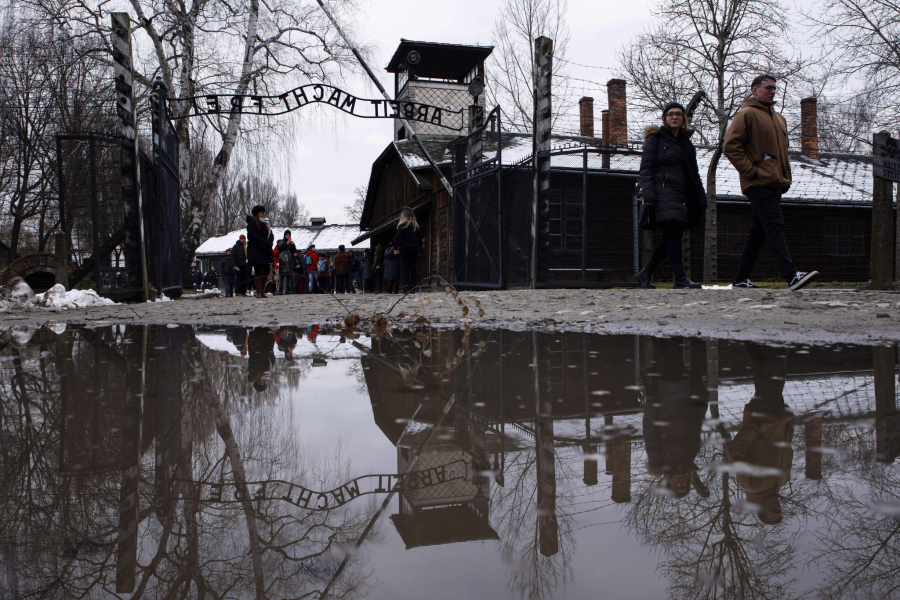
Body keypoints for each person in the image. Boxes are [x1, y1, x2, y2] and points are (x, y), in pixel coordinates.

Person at [724, 75, 819, 291]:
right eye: (768, 88)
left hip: (775, 182)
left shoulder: (778, 119)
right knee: (775, 225)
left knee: (757, 232)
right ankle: (791, 275)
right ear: (754, 90)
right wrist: (752, 171)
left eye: (774, 88)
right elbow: (731, 146)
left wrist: (784, 176)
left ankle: (740, 279)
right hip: (758, 183)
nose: (772, 91)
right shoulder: (746, 114)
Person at [635, 101, 706, 290]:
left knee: (671, 237)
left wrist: (701, 197)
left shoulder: (686, 143)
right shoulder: (655, 139)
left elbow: (694, 173)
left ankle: (645, 273)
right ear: (665, 119)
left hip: (684, 195)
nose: (675, 117)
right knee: (673, 232)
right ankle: (681, 278)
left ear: (684, 118)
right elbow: (646, 169)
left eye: (678, 114)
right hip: (663, 192)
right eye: (670, 114)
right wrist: (649, 195)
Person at [726, 343, 794, 524]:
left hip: (762, 417)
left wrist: (755, 427)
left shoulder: (751, 484)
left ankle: (781, 339)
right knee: (765, 376)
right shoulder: (781, 482)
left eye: (774, 510)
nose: (778, 506)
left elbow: (735, 451)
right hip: (777, 417)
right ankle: (752, 342)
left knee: (776, 376)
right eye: (779, 509)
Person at [642, 337, 709, 498]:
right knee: (679, 366)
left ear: (668, 483)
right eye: (684, 485)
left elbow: (650, 432)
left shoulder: (659, 463)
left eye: (676, 486)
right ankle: (663, 338)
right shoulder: (688, 460)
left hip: (667, 407)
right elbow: (695, 428)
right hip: (688, 404)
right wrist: (701, 405)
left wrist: (651, 405)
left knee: (676, 366)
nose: (681, 482)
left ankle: (670, 335)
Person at [246, 205, 274, 297]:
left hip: (265, 251)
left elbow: (270, 235)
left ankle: (262, 290)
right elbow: (253, 236)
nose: (264, 214)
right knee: (258, 270)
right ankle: (258, 291)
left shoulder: (266, 224)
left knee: (266, 270)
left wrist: (268, 242)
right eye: (262, 212)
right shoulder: (252, 223)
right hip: (256, 250)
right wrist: (264, 242)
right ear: (258, 213)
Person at [393, 206, 420, 293]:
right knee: (413, 267)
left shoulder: (402, 225)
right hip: (415, 248)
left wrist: (395, 248)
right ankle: (413, 287)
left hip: (405, 248)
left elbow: (397, 238)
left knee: (405, 267)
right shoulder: (416, 225)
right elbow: (419, 238)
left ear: (403, 215)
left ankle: (406, 287)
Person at [247, 327, 276, 392]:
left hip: (258, 339)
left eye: (264, 383)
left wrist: (270, 355)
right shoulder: (263, 372)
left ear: (258, 383)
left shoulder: (253, 371)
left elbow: (259, 357)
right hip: (265, 338)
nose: (265, 382)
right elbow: (269, 351)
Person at [276, 231, 296, 295]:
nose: (288, 236)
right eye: (287, 235)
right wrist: (287, 244)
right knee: (281, 276)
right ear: (284, 235)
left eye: (289, 235)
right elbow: (279, 248)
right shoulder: (281, 242)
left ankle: (288, 289)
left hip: (289, 262)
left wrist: (292, 245)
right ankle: (280, 290)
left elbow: (294, 251)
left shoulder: (291, 243)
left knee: (288, 276)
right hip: (283, 261)